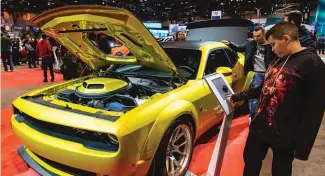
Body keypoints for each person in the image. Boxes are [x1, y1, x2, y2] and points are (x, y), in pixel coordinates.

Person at [229, 22, 325, 176]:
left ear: (286, 39)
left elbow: (315, 108)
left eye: (273, 44)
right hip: (259, 126)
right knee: (250, 162)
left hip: (284, 133)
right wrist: (241, 96)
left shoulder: (312, 64)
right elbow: (265, 86)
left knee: (281, 170)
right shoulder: (279, 58)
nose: (272, 49)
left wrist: (303, 147)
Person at [221, 26, 275, 120]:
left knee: (266, 96)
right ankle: (253, 117)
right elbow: (239, 48)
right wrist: (229, 43)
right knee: (254, 96)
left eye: (259, 36)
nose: (256, 38)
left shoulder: (271, 46)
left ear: (264, 34)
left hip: (268, 73)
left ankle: (262, 117)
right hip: (255, 73)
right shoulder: (251, 43)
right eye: (254, 36)